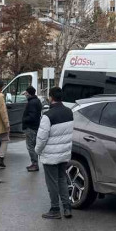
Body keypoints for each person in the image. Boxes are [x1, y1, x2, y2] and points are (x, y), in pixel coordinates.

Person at [35, 87, 74, 219]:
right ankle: (67, 207)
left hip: (51, 156)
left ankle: (55, 209)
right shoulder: (69, 112)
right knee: (62, 179)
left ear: (51, 97)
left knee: (52, 182)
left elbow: (41, 138)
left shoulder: (48, 115)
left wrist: (37, 151)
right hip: (64, 154)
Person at [22, 86, 43, 172]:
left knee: (30, 146)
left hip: (31, 127)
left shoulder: (32, 103)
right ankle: (34, 163)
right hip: (35, 127)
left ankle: (34, 164)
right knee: (33, 146)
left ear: (29, 93)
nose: (25, 95)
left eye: (26, 93)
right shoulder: (36, 101)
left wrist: (24, 120)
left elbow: (32, 116)